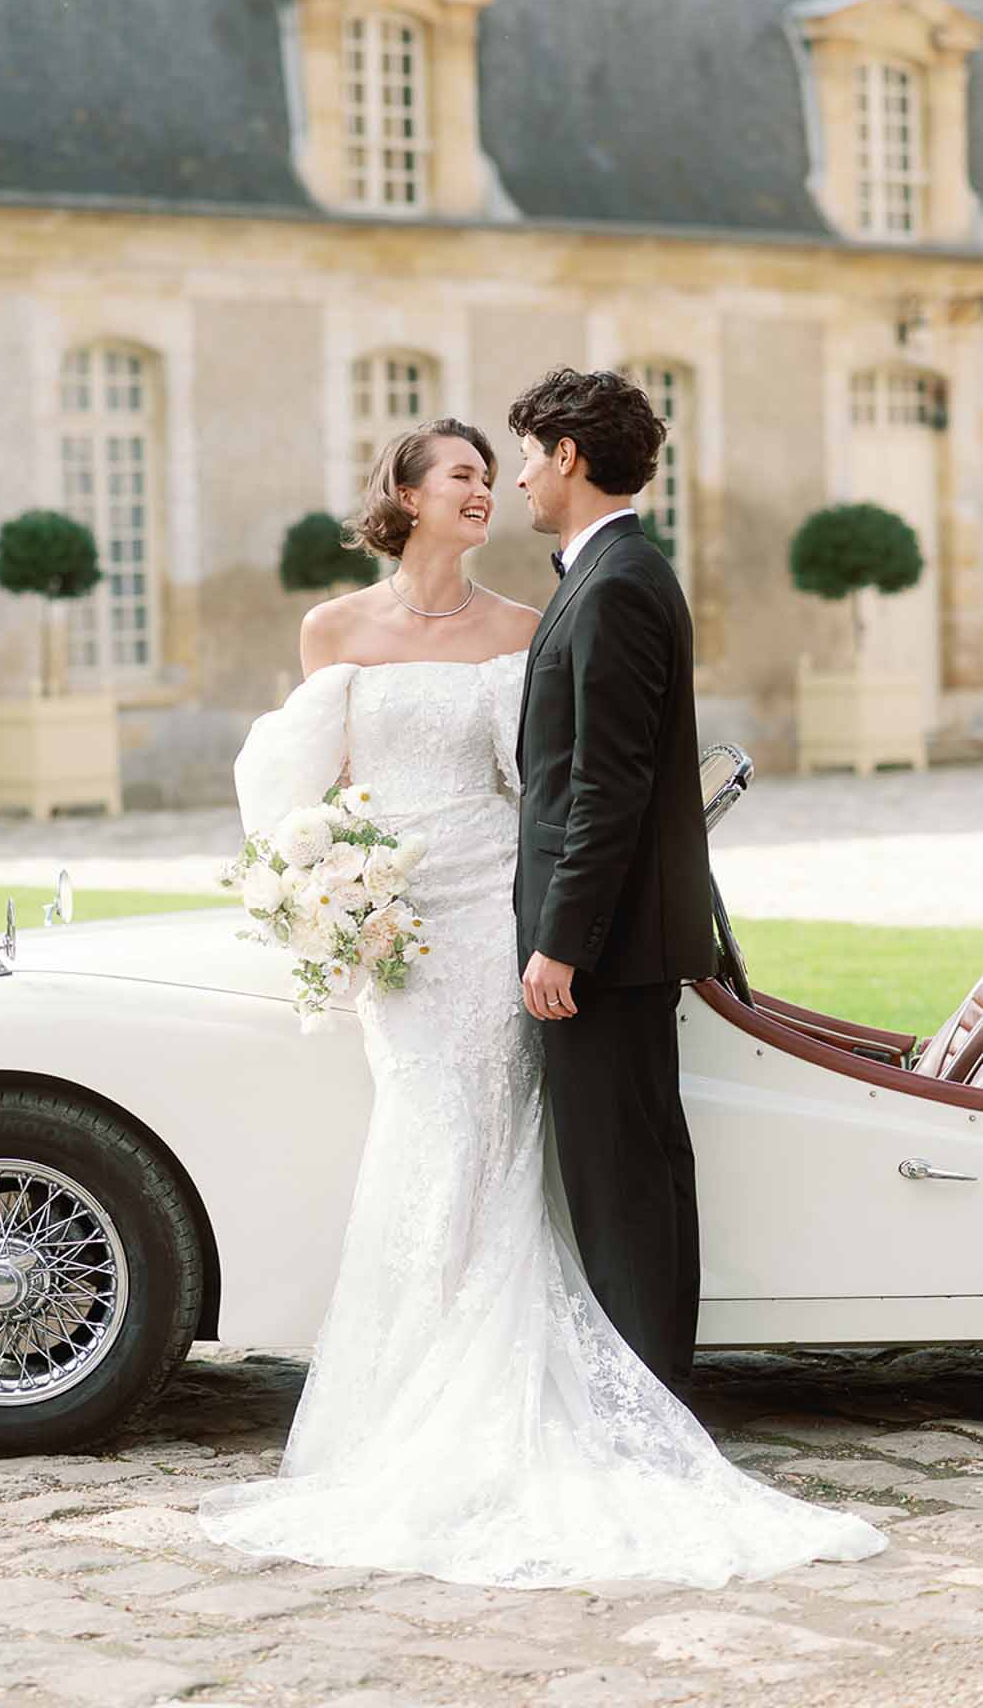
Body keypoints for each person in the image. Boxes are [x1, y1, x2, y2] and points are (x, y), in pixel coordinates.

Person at [197, 407, 883, 1589]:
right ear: (405, 494)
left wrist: (557, 931)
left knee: (503, 1145)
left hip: (493, 918)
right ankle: (402, 1388)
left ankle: (511, 1382)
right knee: (422, 1132)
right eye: (461, 473)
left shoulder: (531, 619)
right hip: (398, 924)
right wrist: (325, 888)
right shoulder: (333, 628)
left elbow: (558, 784)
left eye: (495, 468)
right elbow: (307, 787)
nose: (488, 486)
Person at [511, 366, 711, 1399]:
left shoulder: (618, 582)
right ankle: (652, 1390)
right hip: (618, 936)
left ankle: (649, 1405)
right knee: (629, 1169)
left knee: (621, 1179)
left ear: (568, 455)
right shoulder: (605, 570)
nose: (517, 480)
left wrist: (562, 940)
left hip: (608, 946)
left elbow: (608, 785)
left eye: (526, 457)